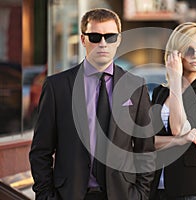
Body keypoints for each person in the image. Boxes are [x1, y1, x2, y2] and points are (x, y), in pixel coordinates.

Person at [29, 8, 155, 200]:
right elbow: (40, 151)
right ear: (83, 39)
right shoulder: (57, 87)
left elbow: (145, 150)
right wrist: (46, 196)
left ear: (119, 40)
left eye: (110, 37)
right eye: (95, 37)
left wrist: (139, 195)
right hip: (69, 195)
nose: (103, 43)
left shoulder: (136, 87)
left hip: (122, 194)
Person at [149, 22, 196, 200]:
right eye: (189, 50)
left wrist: (175, 79)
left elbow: (179, 128)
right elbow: (149, 141)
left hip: (191, 188)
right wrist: (179, 141)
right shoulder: (161, 92)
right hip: (157, 187)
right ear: (176, 53)